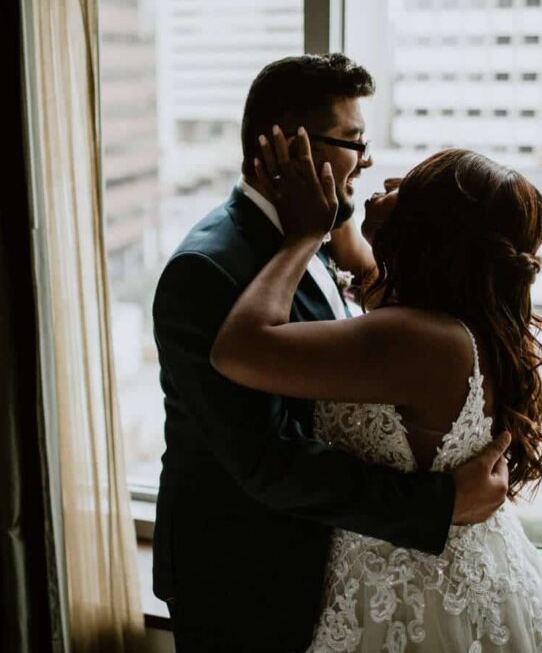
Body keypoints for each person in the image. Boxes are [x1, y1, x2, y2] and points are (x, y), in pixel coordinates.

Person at [152, 54, 512, 652]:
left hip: (324, 574)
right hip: (242, 580)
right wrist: (438, 504)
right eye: (352, 140)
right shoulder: (208, 271)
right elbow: (269, 462)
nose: (367, 160)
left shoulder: (314, 229)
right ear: (288, 146)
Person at [211, 136, 542, 652]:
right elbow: (374, 291)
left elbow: (238, 350)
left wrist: (303, 237)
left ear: (431, 231)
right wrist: (352, 234)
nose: (388, 183)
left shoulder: (417, 341)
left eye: (408, 188)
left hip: (416, 599)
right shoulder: (462, 326)